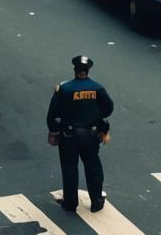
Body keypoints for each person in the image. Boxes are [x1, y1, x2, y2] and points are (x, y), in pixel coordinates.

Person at [47, 54, 114, 214]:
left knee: (70, 168)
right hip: (90, 135)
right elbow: (108, 109)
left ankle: (70, 203)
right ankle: (97, 201)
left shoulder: (64, 89)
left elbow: (53, 113)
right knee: (93, 167)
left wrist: (54, 132)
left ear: (75, 70)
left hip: (69, 135)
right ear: (87, 71)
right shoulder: (97, 88)